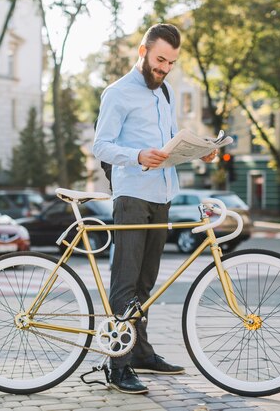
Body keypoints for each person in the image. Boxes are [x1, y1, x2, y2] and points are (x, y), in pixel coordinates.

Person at [92, 23, 218, 394]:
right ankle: (118, 365)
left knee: (146, 283)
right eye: (160, 59)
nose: (164, 68)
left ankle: (141, 352)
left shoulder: (166, 93)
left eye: (171, 63)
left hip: (162, 195)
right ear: (143, 51)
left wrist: (200, 151)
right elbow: (100, 146)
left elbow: (169, 144)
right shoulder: (117, 93)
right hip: (131, 196)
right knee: (126, 281)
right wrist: (136, 155)